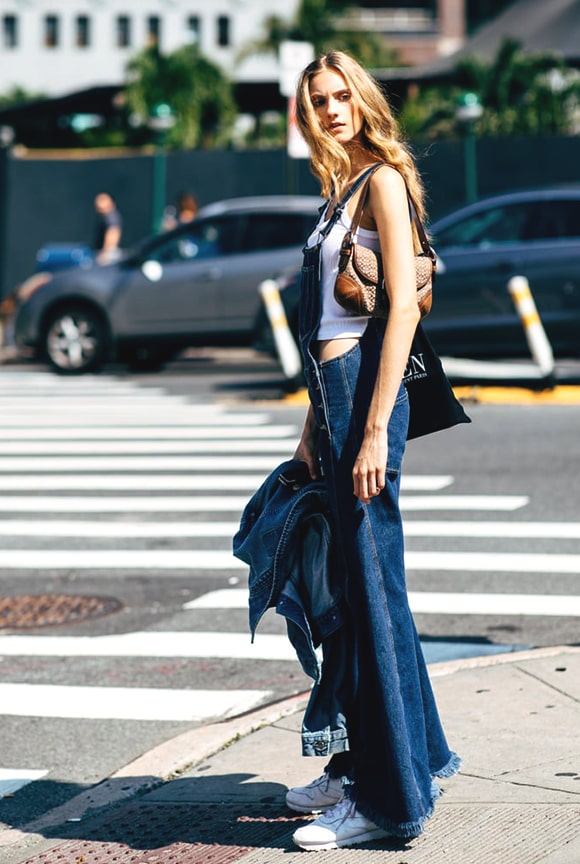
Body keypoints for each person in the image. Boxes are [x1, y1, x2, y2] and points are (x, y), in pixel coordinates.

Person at [285, 51, 460, 852]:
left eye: (340, 95)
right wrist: (313, 428)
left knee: (368, 596)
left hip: (365, 398)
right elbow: (324, 320)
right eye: (317, 100)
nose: (330, 109)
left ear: (363, 100)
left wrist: (375, 427)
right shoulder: (340, 189)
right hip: (335, 402)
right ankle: (414, 755)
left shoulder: (383, 181)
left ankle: (387, 802)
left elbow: (399, 314)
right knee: (362, 591)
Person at [93, 192, 123, 264]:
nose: (98, 202)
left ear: (111, 203)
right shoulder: (107, 217)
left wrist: (104, 256)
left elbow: (113, 235)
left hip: (107, 257)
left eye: (102, 200)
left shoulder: (111, 218)